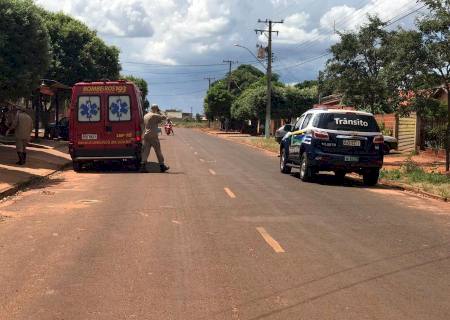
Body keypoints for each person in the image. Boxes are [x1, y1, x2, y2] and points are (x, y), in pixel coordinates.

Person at [140, 104, 170, 173]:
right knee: (158, 151)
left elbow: (143, 124)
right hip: (153, 136)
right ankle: (162, 166)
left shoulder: (146, 115)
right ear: (156, 109)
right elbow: (164, 117)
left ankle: (143, 167)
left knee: (145, 152)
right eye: (157, 109)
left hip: (146, 135)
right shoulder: (154, 115)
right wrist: (159, 112)